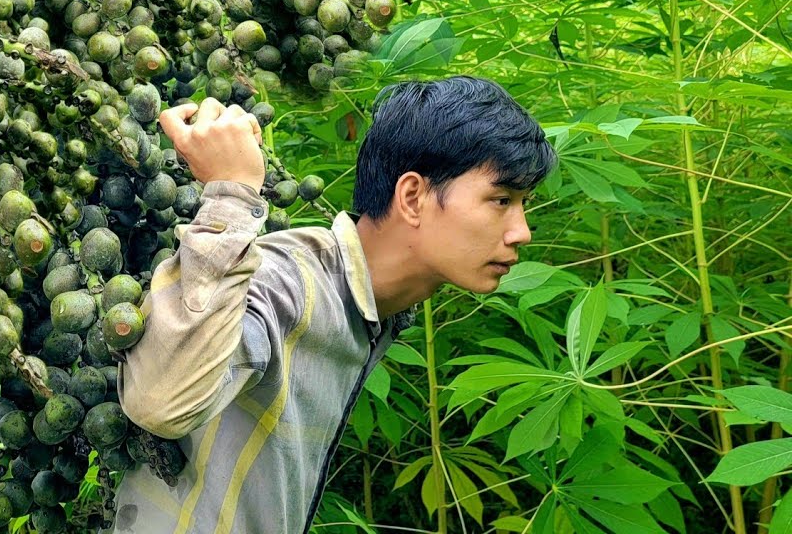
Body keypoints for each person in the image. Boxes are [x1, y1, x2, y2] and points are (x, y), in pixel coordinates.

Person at [110, 75, 558, 534]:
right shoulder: (290, 283)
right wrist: (232, 193)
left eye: (523, 203)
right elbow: (159, 404)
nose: (521, 231)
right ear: (412, 197)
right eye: (501, 199)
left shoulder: (368, 311)